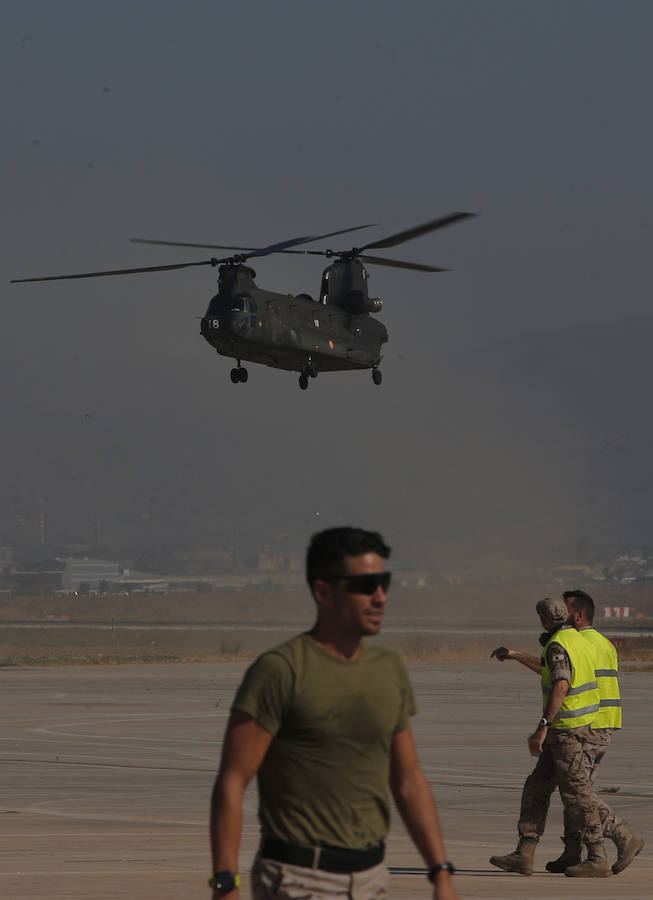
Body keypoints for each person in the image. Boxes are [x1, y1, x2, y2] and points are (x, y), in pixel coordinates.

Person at [209, 527, 459, 900]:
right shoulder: (280, 670)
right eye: (366, 584)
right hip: (299, 880)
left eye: (384, 583)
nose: (380, 597)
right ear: (323, 591)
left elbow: (408, 779)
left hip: (372, 878)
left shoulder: (388, 669)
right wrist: (225, 883)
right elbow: (232, 781)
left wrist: (440, 872)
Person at [490, 590, 644, 875]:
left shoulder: (572, 642)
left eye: (568, 608)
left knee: (577, 792)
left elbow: (562, 681)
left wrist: (543, 726)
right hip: (589, 723)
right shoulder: (591, 642)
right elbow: (555, 671)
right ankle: (562, 852)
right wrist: (517, 655)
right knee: (546, 787)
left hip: (581, 726)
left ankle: (615, 841)